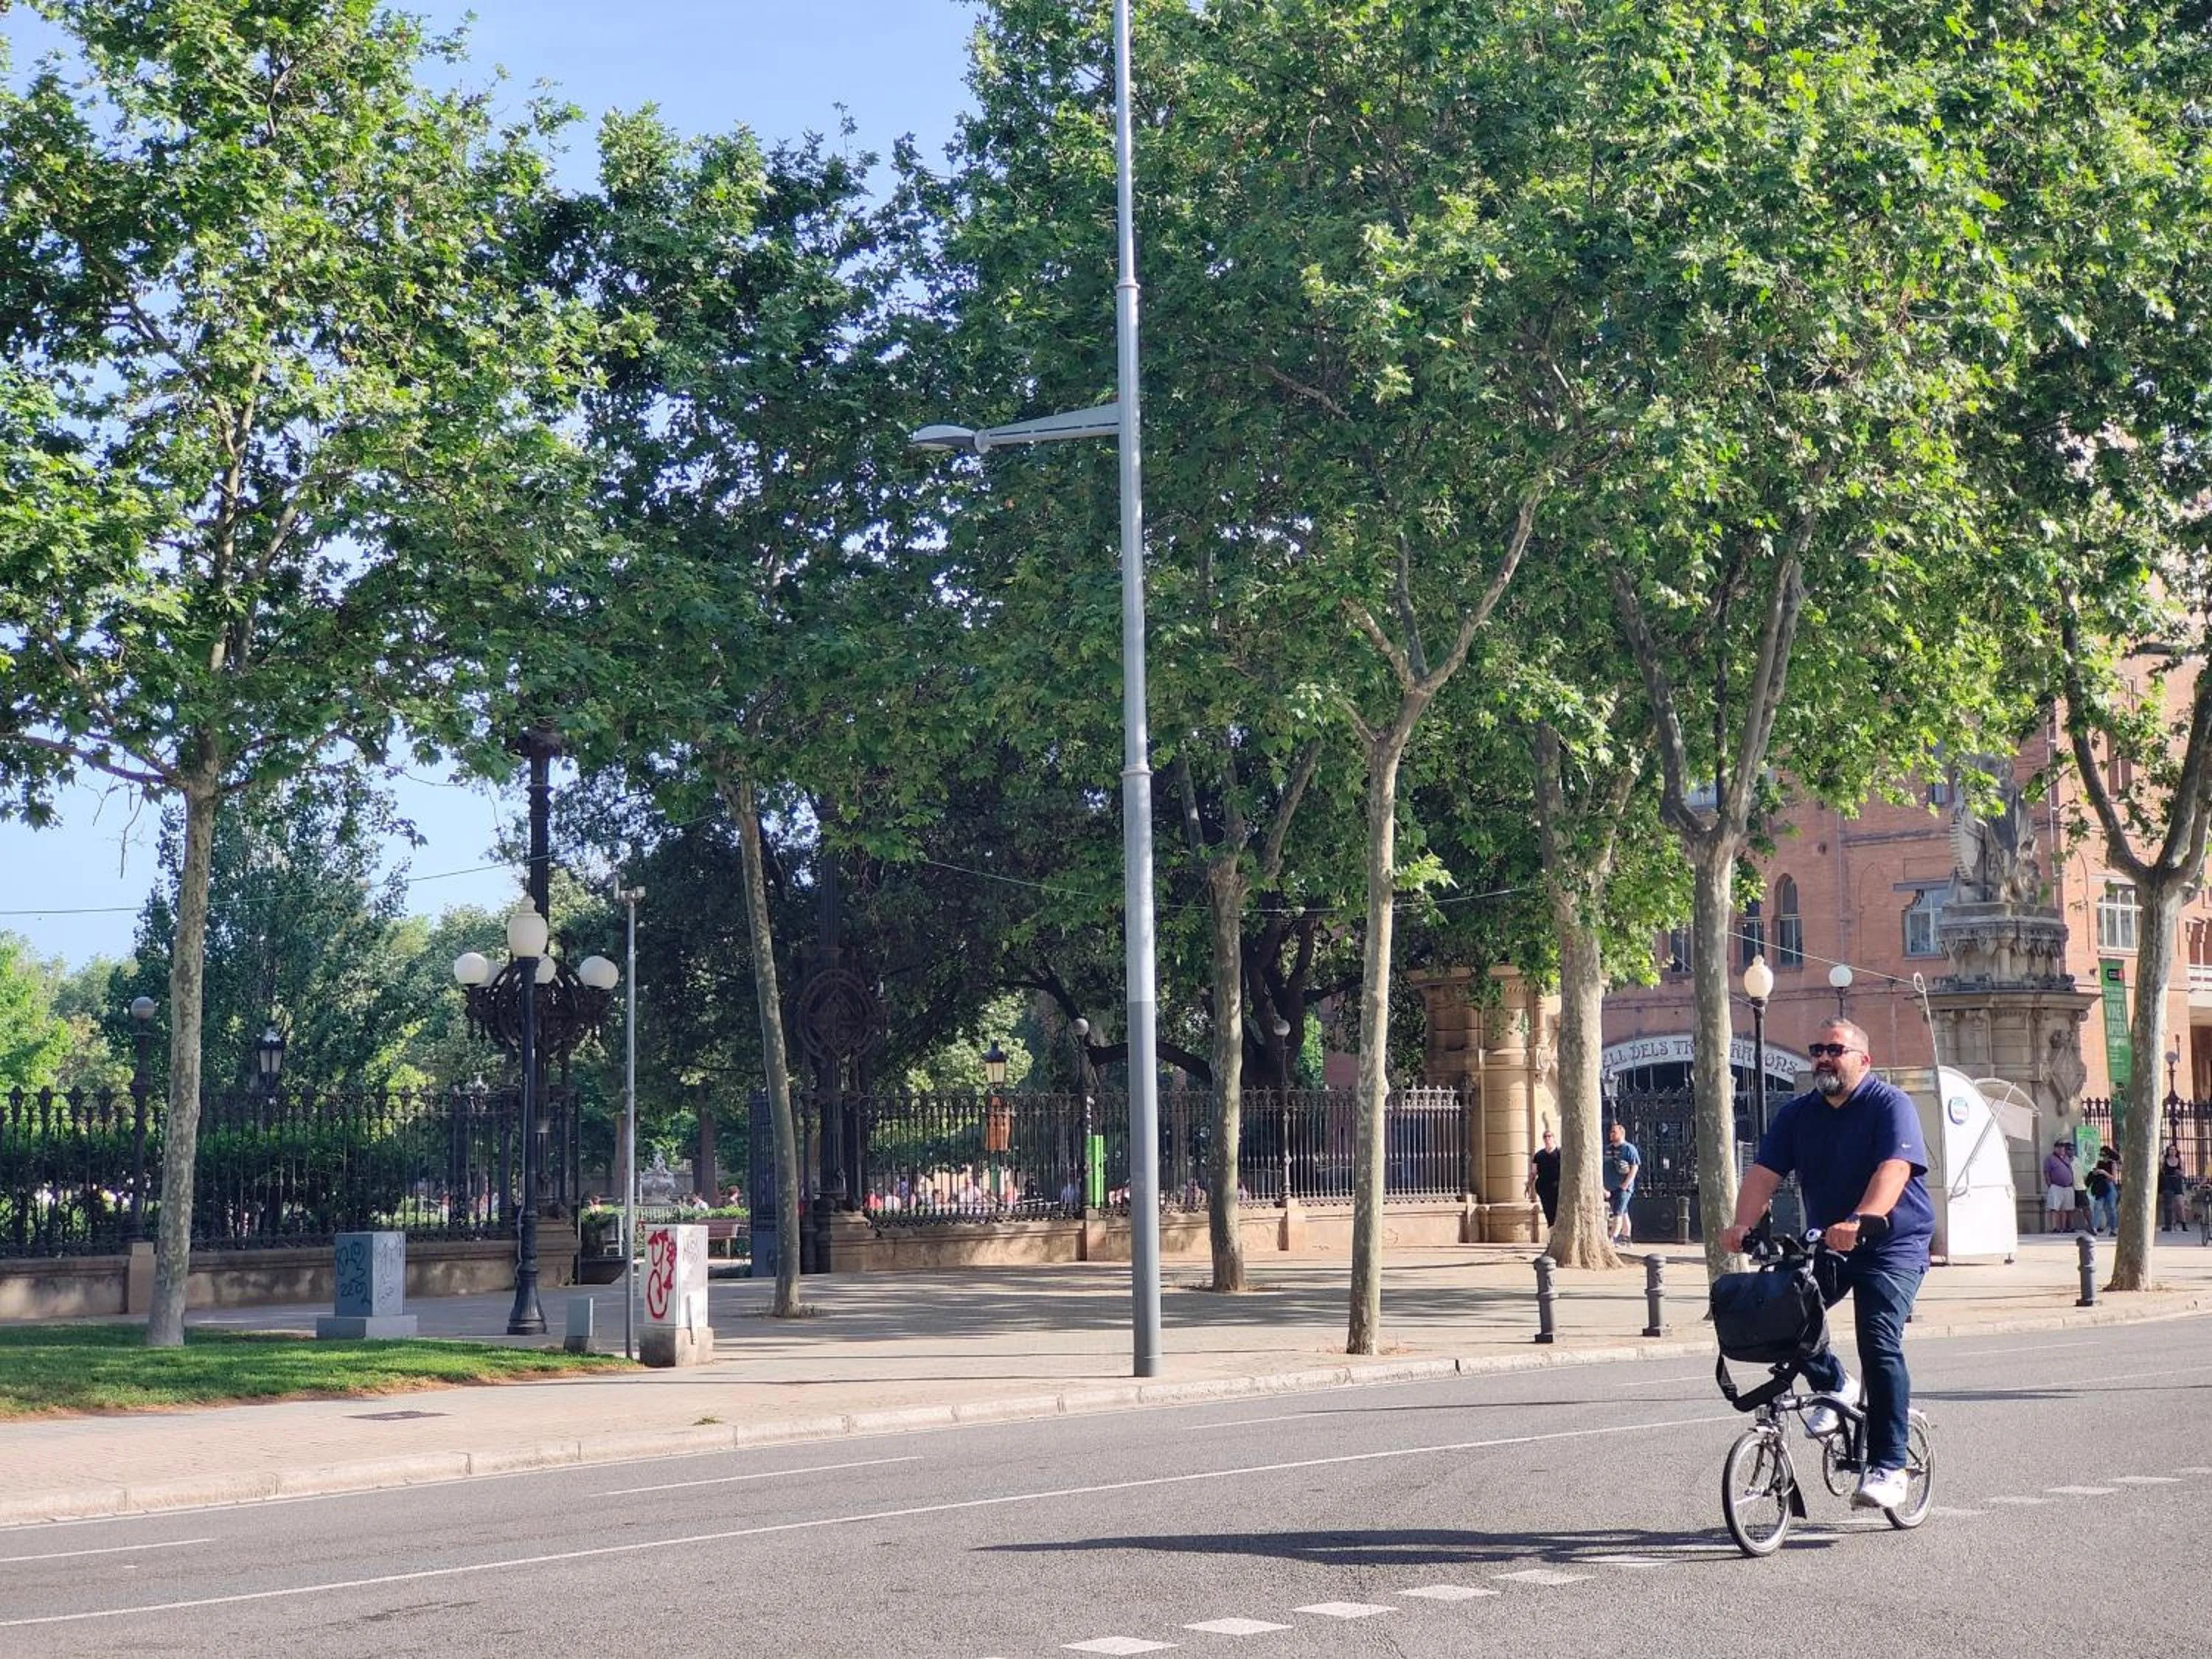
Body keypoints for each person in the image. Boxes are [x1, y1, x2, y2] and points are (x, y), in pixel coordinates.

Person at [1721, 1016, 1933, 1512]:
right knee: (1784, 1312)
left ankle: (1889, 1464)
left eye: (1836, 1049)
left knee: (1878, 1339)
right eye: (1818, 1048)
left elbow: (1894, 1169)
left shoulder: (1890, 1105)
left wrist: (1864, 1218)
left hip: (1891, 1244)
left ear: (1864, 1059)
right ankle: (1834, 1384)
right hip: (1831, 1244)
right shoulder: (1799, 1115)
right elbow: (1763, 1174)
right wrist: (1741, 1225)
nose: (1824, 1057)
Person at [1604, 1121, 1640, 1245]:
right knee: (1623, 1212)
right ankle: (1626, 1238)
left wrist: (1626, 1184)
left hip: (1623, 1187)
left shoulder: (1629, 1149)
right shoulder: (1607, 1149)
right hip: (1610, 1187)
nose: (1611, 1134)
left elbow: (1635, 1167)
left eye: (1614, 1132)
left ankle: (1613, 1238)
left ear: (1622, 1133)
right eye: (1611, 1132)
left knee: (1617, 1213)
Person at [1526, 1126, 1562, 1227]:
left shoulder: (1560, 1153)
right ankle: (1552, 1231)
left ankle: (1557, 1230)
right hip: (1544, 1187)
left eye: (1549, 1136)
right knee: (1548, 1210)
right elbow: (1534, 1172)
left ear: (1554, 1138)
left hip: (1558, 1187)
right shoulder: (1539, 1155)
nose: (1547, 1139)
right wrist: (1529, 1185)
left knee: (1557, 1210)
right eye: (1545, 1137)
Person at [2043, 1139, 2077, 1234]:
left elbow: (2070, 1171)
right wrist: (2050, 1185)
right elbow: (2047, 1173)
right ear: (2056, 1148)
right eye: (2060, 1147)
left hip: (2068, 1187)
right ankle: (2055, 1227)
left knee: (2067, 1208)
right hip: (2056, 1186)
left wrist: (2072, 1183)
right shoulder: (2050, 1158)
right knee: (2055, 1208)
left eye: (2063, 1147)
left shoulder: (2067, 1158)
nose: (2062, 1149)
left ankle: (2065, 1227)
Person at [2087, 1148, 2119, 1235]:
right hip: (2101, 1187)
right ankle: (2094, 1228)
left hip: (2109, 1186)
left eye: (2104, 1155)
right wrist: (2095, 1173)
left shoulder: (2112, 1164)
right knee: (2098, 1207)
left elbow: (2114, 1178)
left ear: (2108, 1156)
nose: (2102, 1157)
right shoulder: (2099, 1163)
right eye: (2101, 1155)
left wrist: (2104, 1172)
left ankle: (2113, 1229)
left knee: (2112, 1209)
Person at [2159, 1142, 2188, 1231]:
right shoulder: (2164, 1160)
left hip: (2177, 1182)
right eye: (2171, 1149)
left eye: (2175, 1149)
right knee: (2170, 1205)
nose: (2173, 1151)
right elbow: (2161, 1171)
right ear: (2168, 1151)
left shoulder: (2179, 1161)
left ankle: (2184, 1224)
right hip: (2167, 1182)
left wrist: (2180, 1173)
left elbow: (2184, 1174)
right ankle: (2171, 1224)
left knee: (2180, 1204)